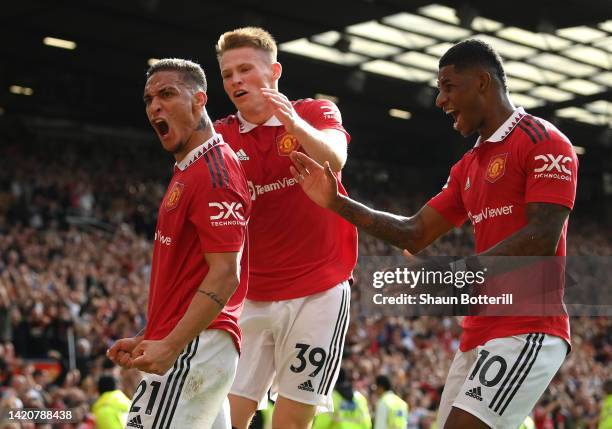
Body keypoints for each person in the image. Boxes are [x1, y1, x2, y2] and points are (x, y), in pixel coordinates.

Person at [289, 39, 578, 429]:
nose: (440, 100)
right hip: (478, 330)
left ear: (481, 82)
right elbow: (415, 231)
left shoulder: (543, 141)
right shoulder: (467, 166)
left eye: (448, 86)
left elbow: (542, 237)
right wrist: (336, 202)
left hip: (528, 326)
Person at [213, 27, 358, 429]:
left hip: (319, 291)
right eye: (227, 74)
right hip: (250, 296)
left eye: (245, 69)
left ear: (274, 71)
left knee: (291, 422)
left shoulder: (314, 113)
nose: (236, 80)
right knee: (225, 417)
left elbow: (337, 157)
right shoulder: (220, 135)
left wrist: (292, 123)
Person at [106, 58, 251, 429]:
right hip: (188, 343)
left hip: (195, 347)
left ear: (199, 100)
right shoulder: (189, 170)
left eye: (167, 94)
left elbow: (224, 275)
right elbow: (186, 278)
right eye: (149, 98)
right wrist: (148, 335)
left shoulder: (216, 172)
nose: (155, 105)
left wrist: (171, 345)